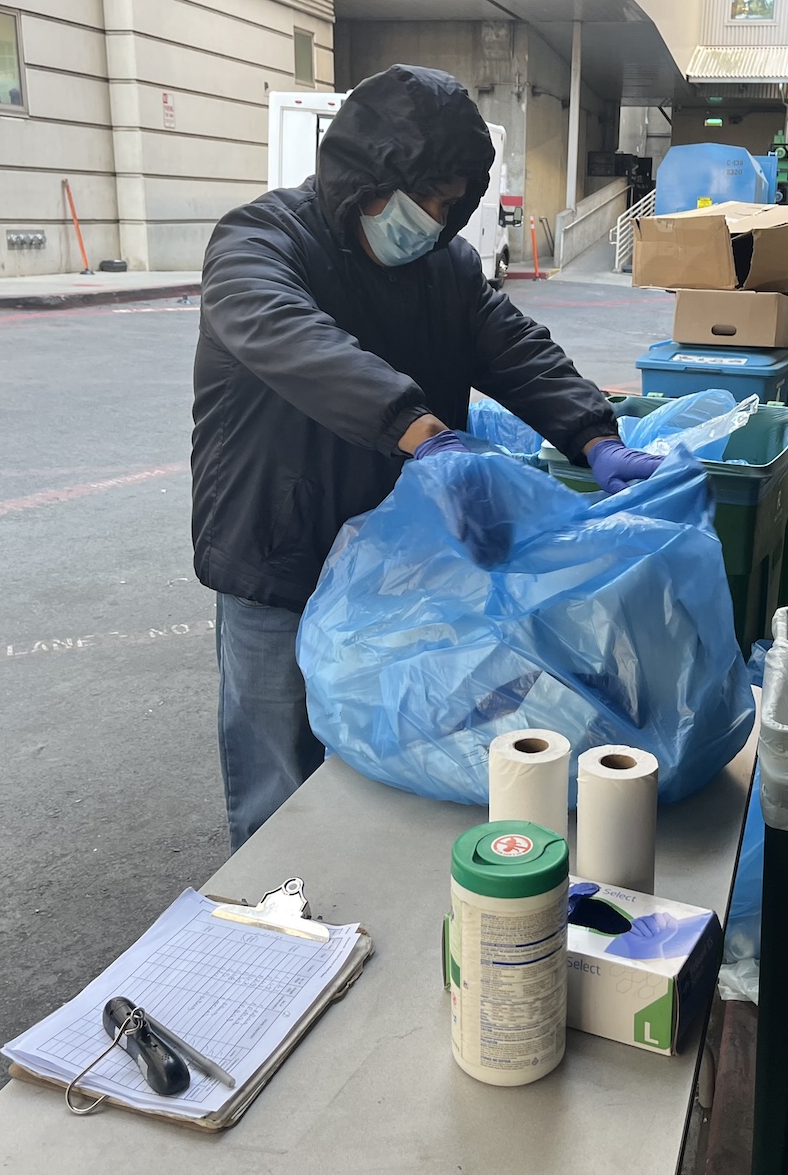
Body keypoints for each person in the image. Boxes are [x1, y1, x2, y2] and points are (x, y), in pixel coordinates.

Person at [191, 65, 664, 848]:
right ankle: (272, 924)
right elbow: (291, 337)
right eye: (427, 198)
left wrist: (594, 434)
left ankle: (357, 911)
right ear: (368, 174)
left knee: (384, 759)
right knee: (279, 771)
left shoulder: (442, 267)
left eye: (452, 205)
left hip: (392, 567)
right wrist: (421, 429)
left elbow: (512, 347)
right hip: (277, 555)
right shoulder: (260, 242)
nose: (436, 221)